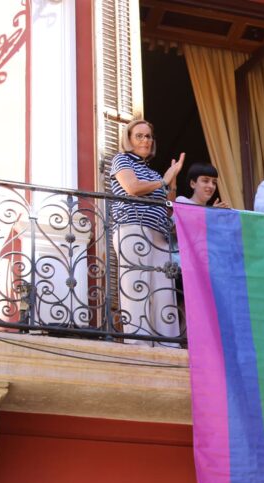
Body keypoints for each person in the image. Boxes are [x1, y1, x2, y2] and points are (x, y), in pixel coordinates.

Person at [109, 118, 183, 344]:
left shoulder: (152, 172)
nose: (146, 140)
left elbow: (167, 206)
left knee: (164, 292)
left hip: (160, 235)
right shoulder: (121, 160)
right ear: (129, 140)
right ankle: (138, 344)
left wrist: (172, 183)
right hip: (133, 229)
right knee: (137, 287)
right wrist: (163, 181)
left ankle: (168, 345)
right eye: (139, 136)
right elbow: (132, 188)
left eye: (149, 136)